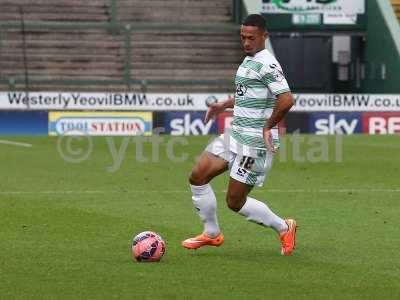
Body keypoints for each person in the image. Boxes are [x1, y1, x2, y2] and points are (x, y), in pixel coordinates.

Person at [181, 14, 297, 256]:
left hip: (254, 143)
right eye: (242, 37)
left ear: (265, 36)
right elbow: (248, 94)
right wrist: (224, 104)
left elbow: (286, 99)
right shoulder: (248, 60)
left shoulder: (267, 63)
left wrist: (268, 126)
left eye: (251, 38)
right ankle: (212, 234)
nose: (246, 42)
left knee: (235, 202)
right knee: (197, 177)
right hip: (235, 135)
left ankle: (284, 227)